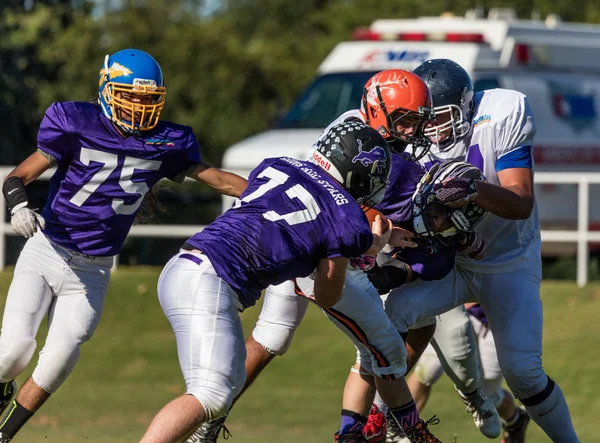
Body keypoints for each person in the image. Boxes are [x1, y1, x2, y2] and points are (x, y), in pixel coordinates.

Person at [187, 70, 497, 443]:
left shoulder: (382, 142)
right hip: (325, 248)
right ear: (379, 110)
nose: (415, 132)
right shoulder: (359, 137)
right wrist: (420, 233)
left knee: (298, 336)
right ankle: (380, 425)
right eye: (407, 121)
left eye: (419, 122)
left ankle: (376, 422)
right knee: (361, 340)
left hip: (328, 244)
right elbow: (348, 208)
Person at [0, 48, 248, 443]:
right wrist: (17, 205)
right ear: (106, 89)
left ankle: (5, 433)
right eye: (130, 95)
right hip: (46, 250)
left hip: (93, 270)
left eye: (148, 100)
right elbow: (19, 176)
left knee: (59, 359)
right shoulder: (76, 122)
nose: (138, 106)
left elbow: (217, 179)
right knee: (11, 353)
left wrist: (274, 191)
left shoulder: (169, 141)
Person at [139, 121, 395, 443]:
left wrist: (193, 168)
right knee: (212, 395)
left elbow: (234, 186)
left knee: (228, 384)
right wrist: (369, 250)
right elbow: (328, 295)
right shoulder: (344, 217)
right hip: (211, 281)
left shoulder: (284, 167)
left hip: (184, 266)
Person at [381, 58, 579, 442]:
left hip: (507, 261)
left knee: (522, 373)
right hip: (453, 262)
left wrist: (473, 190)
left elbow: (520, 202)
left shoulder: (502, 112)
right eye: (424, 120)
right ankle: (376, 424)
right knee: (396, 312)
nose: (431, 130)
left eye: (439, 117)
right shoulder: (412, 142)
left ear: (465, 107)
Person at [407, 303, 531, 442]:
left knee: (489, 395)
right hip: (453, 308)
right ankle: (400, 431)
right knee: (429, 370)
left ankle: (516, 419)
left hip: (497, 322)